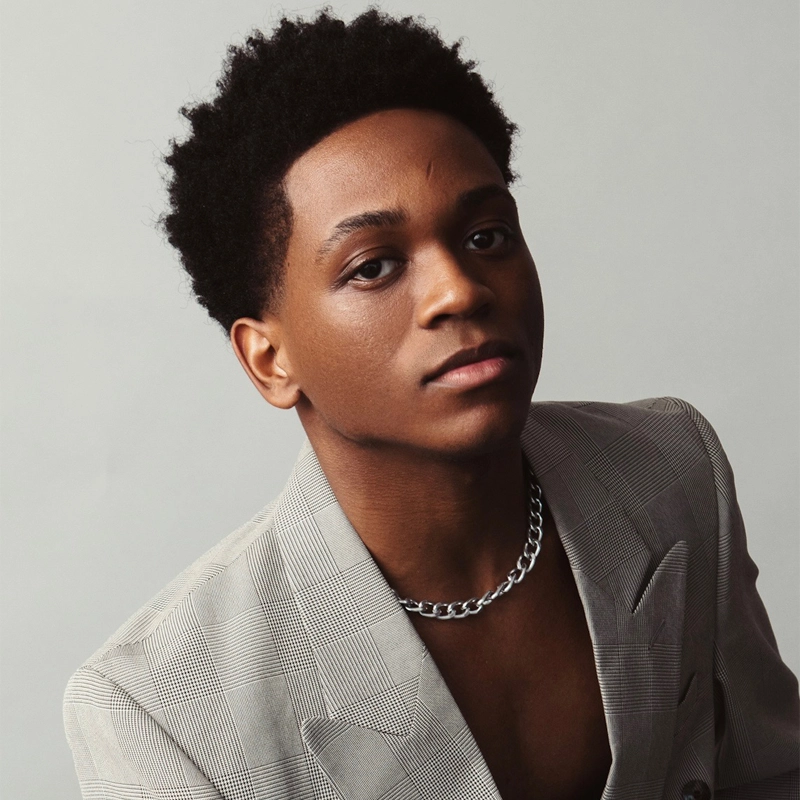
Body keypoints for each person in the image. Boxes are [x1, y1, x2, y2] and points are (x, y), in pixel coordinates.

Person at [63, 9, 799, 800]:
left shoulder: (669, 470)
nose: (459, 290)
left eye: (487, 236)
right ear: (270, 359)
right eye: (374, 266)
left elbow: (773, 769)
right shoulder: (158, 711)